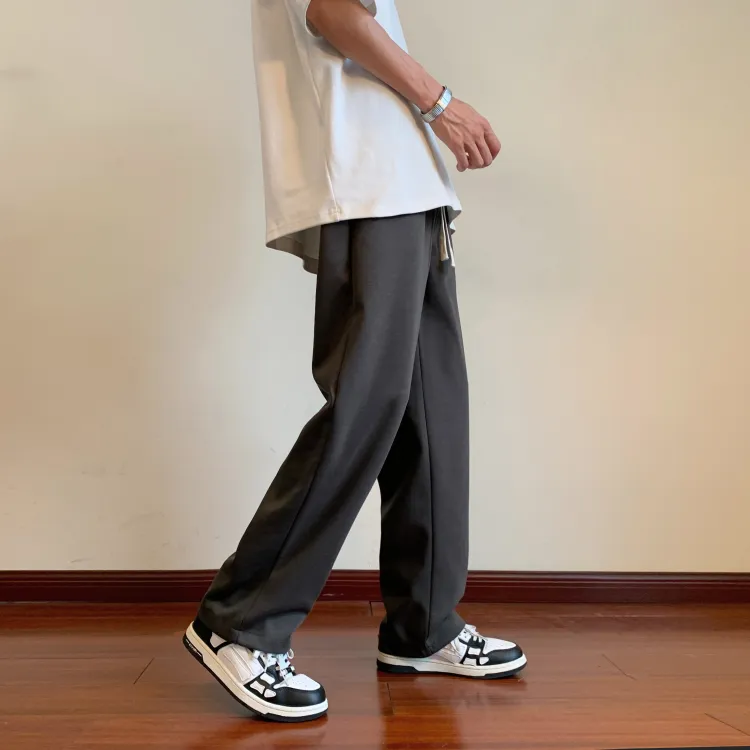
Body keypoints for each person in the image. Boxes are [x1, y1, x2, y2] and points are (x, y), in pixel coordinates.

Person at [182, 0, 527, 723]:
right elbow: (334, 10)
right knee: (367, 405)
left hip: (409, 184)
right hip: (369, 180)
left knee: (431, 412)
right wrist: (442, 104)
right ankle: (239, 621)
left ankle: (422, 624)